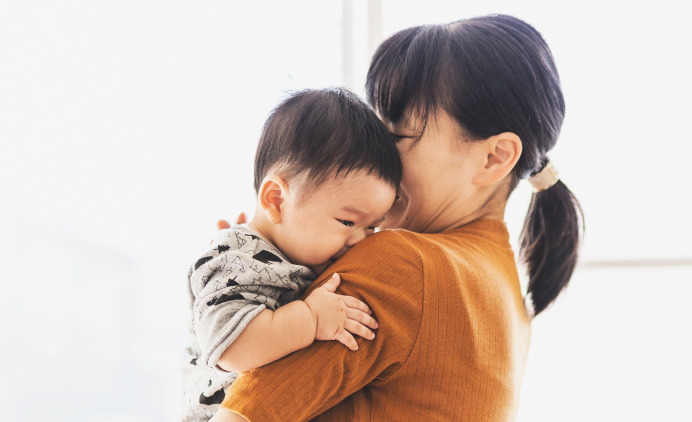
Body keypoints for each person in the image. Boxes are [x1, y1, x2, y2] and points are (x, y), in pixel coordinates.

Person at [210, 15, 581, 421]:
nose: (374, 163)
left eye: (397, 137)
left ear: (494, 158)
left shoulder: (405, 265)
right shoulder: (507, 290)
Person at [181, 88, 401, 422]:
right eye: (348, 221)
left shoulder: (297, 257)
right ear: (276, 200)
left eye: (372, 228)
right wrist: (311, 319)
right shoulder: (235, 258)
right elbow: (233, 349)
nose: (361, 240)